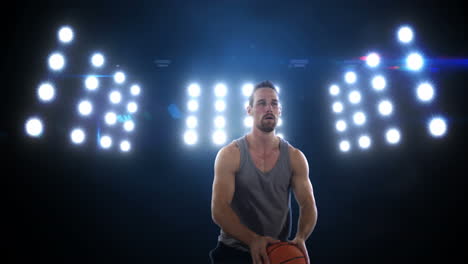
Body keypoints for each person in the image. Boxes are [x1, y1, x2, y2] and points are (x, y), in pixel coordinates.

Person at [209, 80, 318, 264]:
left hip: (275, 253)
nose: (269, 108)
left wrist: (301, 237)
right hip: (234, 251)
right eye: (261, 103)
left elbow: (308, 204)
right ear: (249, 110)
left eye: (274, 103)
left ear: (279, 111)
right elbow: (219, 209)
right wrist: (253, 239)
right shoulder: (230, 154)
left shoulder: (295, 157)